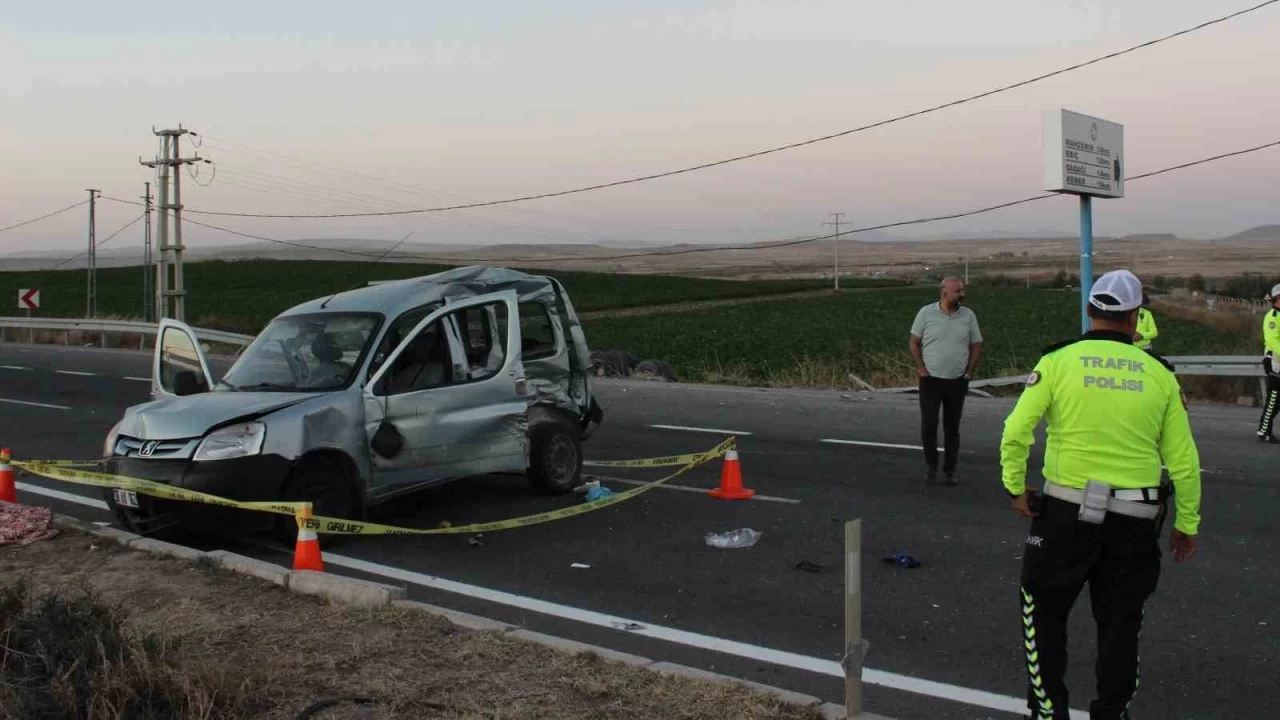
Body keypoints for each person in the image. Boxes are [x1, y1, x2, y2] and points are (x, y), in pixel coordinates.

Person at [999, 269, 1200, 720]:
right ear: (1135, 318)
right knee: (1121, 624)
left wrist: (1015, 487)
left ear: (1090, 311)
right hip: (1135, 519)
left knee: (1043, 612)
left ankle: (1049, 712)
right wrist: (1187, 524)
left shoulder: (1057, 361)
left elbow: (1016, 431)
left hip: (1063, 514)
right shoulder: (1161, 374)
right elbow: (1184, 462)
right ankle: (1111, 713)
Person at [909, 277, 983, 485]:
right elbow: (914, 342)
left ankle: (950, 470)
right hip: (930, 380)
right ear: (945, 292)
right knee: (929, 425)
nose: (962, 294)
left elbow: (977, 344)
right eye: (958, 291)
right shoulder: (926, 313)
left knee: (952, 428)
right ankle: (931, 465)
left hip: (957, 381)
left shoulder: (968, 316)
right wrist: (921, 368)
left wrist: (968, 373)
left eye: (963, 291)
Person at [1257, 283, 1280, 443]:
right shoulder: (1272, 317)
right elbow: (1271, 341)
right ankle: (1264, 431)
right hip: (1274, 361)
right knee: (1274, 396)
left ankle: (1264, 429)